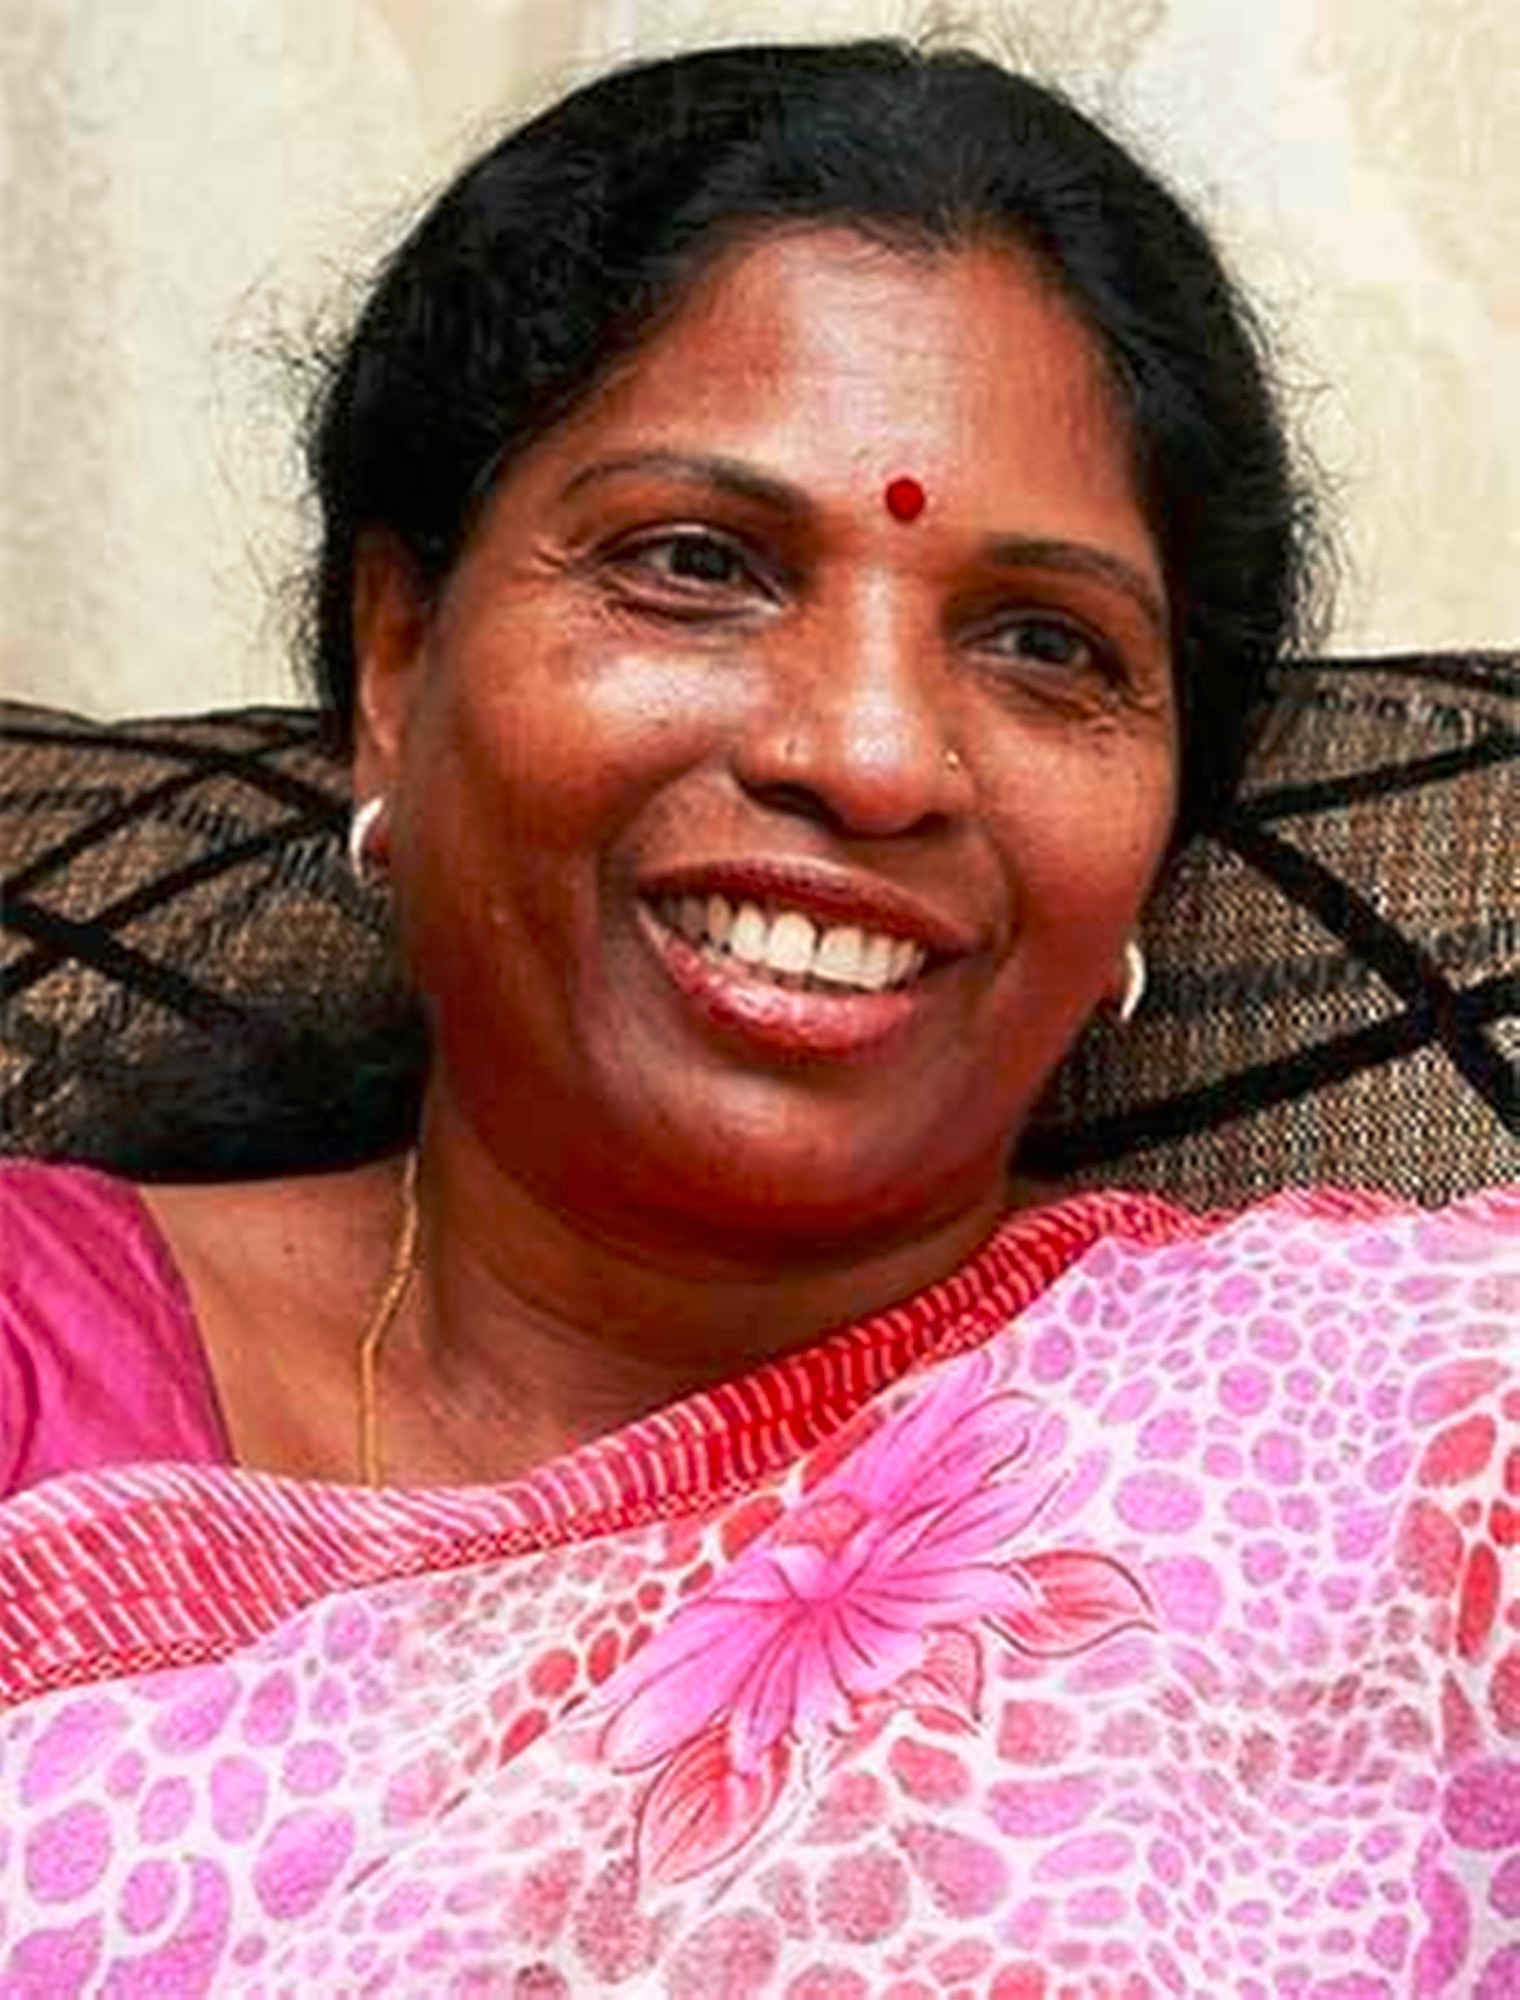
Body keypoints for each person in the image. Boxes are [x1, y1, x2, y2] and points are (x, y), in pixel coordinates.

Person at [0, 39, 1513, 1997]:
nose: (870, 756)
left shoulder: (1391, 1435)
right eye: (698, 565)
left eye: (1044, 644)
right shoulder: (37, 1348)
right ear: (394, 659)